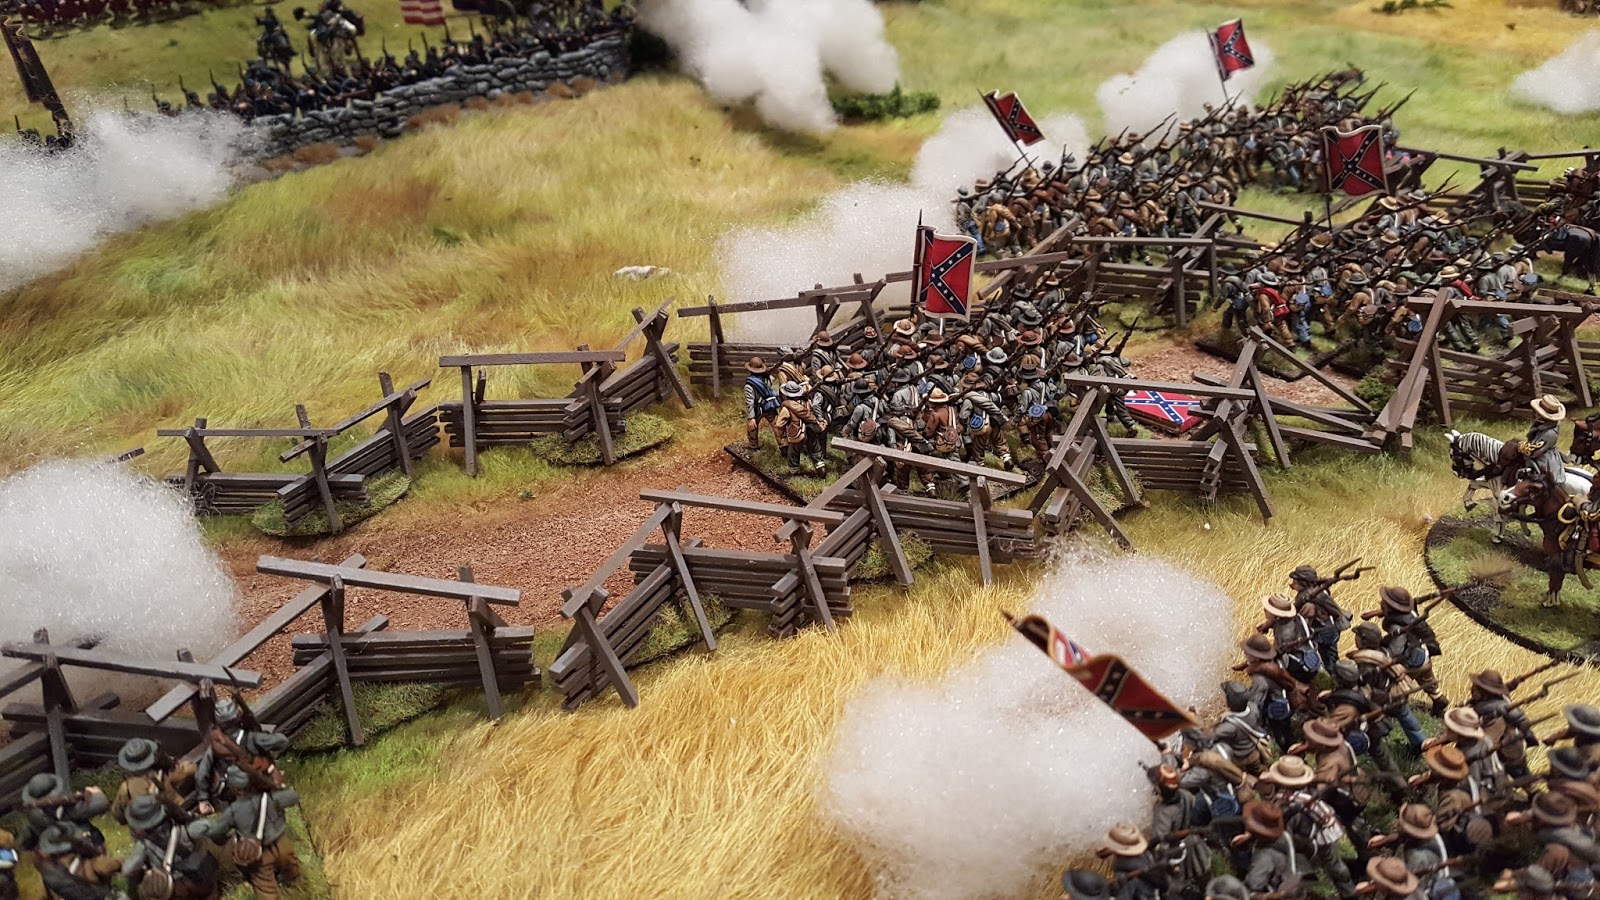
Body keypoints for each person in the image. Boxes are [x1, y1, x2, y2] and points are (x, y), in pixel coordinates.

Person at [198, 767, 303, 900]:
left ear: (234, 789)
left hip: (258, 854)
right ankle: (294, 882)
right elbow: (294, 797)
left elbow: (216, 832)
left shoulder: (233, 811)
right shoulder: (269, 797)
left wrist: (221, 837)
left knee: (266, 887)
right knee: (291, 866)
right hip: (282, 843)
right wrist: (278, 788)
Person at [119, 795, 220, 900]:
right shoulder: (184, 828)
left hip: (171, 888)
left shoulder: (144, 845)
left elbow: (128, 869)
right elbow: (209, 826)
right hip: (198, 881)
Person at [112, 737, 193, 827]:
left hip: (149, 827)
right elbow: (191, 768)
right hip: (179, 818)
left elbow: (118, 815)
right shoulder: (167, 772)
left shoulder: (127, 787)